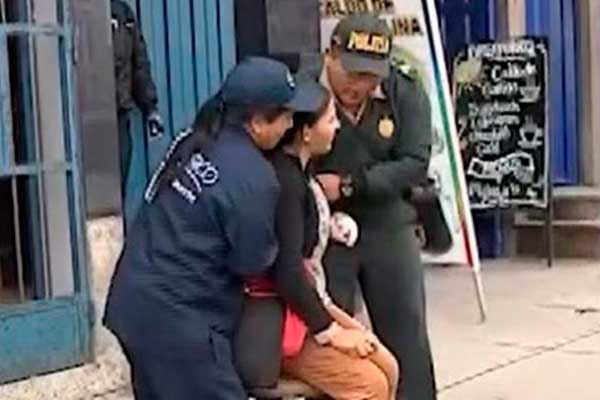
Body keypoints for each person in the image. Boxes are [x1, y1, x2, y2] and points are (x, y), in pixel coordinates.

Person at [103, 57, 321, 400]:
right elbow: (251, 261)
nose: (291, 124)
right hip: (180, 324)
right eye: (287, 115)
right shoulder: (254, 178)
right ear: (257, 121)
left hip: (134, 301)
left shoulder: (193, 138)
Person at [298, 14, 437, 400]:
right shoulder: (301, 90)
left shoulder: (404, 92)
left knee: (405, 331)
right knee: (333, 337)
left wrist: (349, 184)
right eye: (353, 73)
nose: (359, 86)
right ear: (331, 54)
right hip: (323, 229)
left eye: (371, 76)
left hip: (386, 219)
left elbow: (414, 163)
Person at [241, 80, 398, 400]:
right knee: (370, 386)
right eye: (330, 119)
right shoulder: (285, 183)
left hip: (309, 300)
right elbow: (287, 272)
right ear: (306, 133)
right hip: (283, 315)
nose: (337, 126)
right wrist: (329, 331)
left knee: (389, 367)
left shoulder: (301, 170)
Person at [110, 0, 164, 195]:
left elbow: (139, 63)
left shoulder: (123, 13)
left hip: (119, 114)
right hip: (86, 117)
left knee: (118, 185)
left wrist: (150, 108)